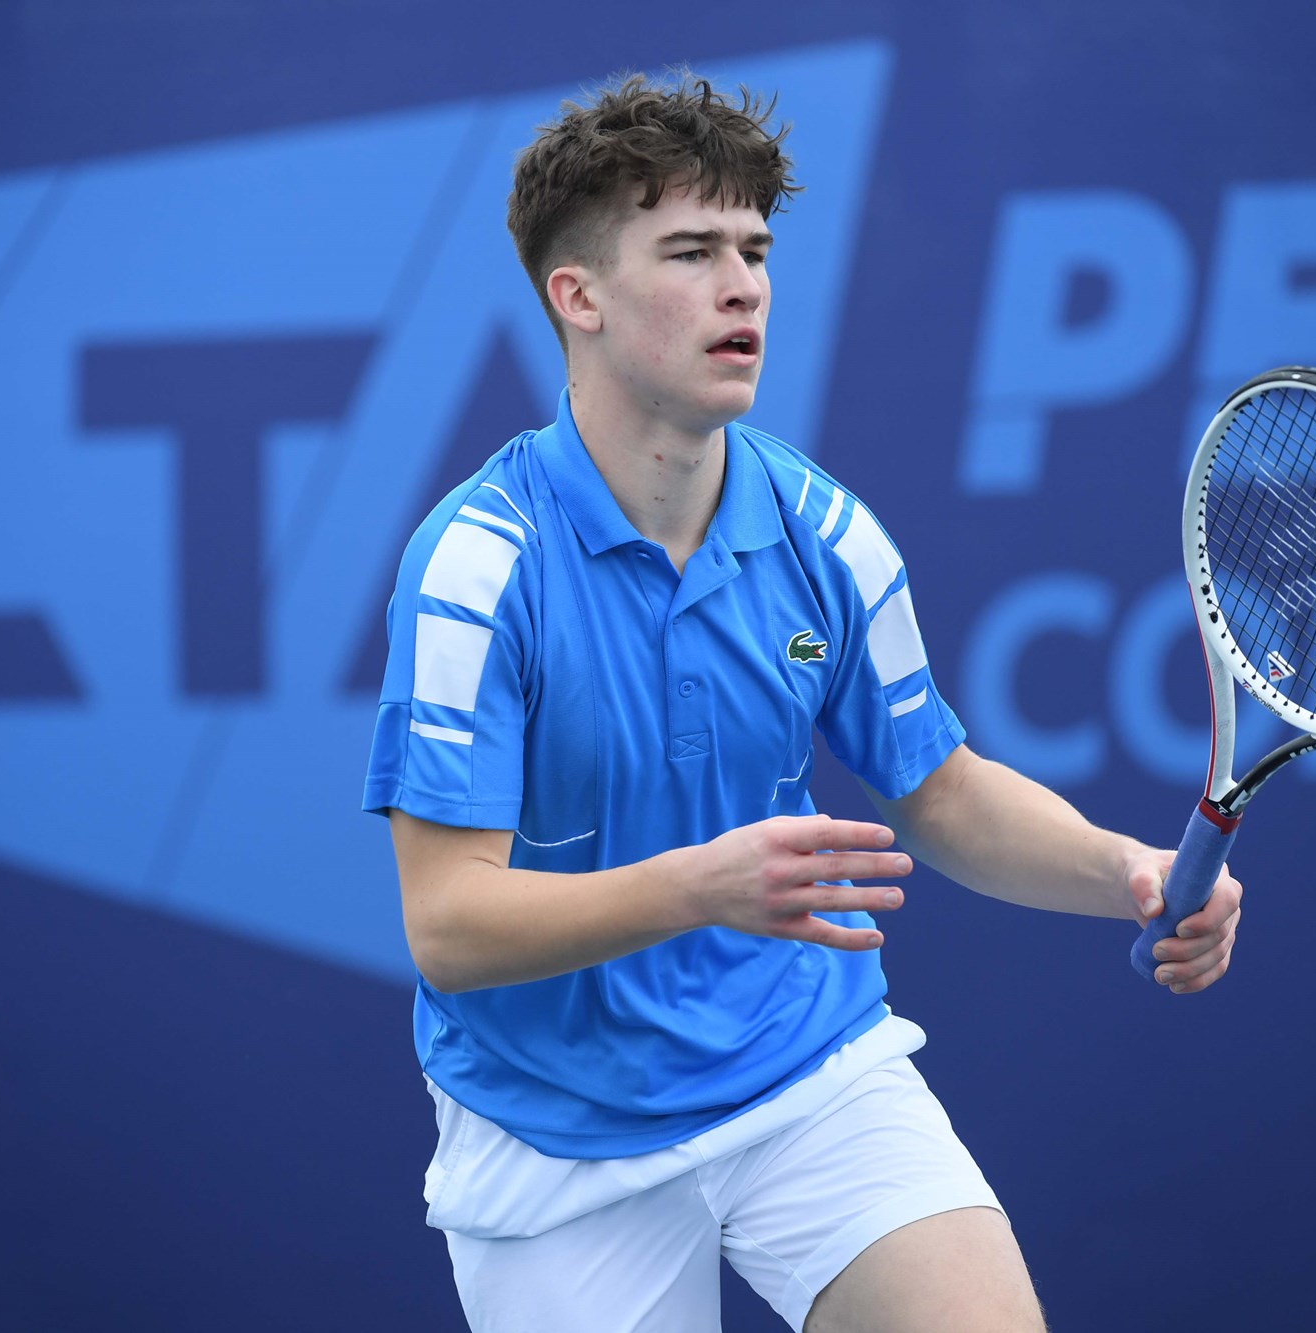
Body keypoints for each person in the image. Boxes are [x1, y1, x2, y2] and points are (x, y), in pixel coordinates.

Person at [362, 71, 1241, 1332]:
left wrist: (1132, 872)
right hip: (553, 1135)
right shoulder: (476, 570)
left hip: (804, 1069)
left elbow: (938, 790)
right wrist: (704, 887)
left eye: (754, 250)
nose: (743, 285)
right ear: (579, 298)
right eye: (690, 250)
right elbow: (446, 924)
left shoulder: (827, 536)